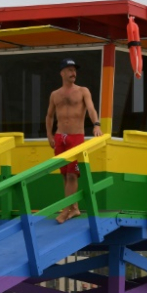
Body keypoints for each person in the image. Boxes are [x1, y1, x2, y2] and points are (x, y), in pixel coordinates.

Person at [46, 58, 103, 224]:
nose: (73, 73)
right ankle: (75, 208)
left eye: (74, 70)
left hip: (75, 137)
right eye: (70, 70)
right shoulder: (55, 94)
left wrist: (96, 125)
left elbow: (91, 108)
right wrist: (49, 135)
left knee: (72, 175)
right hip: (60, 137)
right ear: (62, 72)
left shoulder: (83, 91)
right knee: (64, 175)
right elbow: (49, 116)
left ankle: (65, 210)